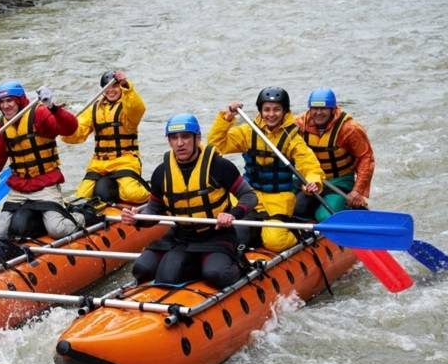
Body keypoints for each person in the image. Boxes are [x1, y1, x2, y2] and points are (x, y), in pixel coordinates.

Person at [121, 114, 257, 288]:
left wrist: (232, 214)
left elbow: (249, 196)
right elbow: (154, 210)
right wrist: (138, 219)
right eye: (174, 138)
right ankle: (192, 265)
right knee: (142, 269)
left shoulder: (219, 166)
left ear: (197, 138)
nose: (180, 143)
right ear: (169, 141)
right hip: (181, 236)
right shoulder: (161, 173)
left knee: (216, 274)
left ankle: (238, 264)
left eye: (185, 136)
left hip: (215, 235)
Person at [207, 87, 325, 252]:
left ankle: (298, 233)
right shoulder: (249, 131)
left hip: (278, 200)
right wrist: (226, 119)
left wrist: (313, 182)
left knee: (274, 242)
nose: (271, 114)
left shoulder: (292, 139)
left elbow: (309, 165)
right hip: (248, 196)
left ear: (285, 111)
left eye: (277, 109)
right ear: (260, 111)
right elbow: (217, 145)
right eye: (267, 110)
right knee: (231, 233)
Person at [0, 80, 87, 239]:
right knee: (0, 233)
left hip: (46, 184)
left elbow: (69, 128)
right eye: (1, 102)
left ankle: (79, 216)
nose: (5, 106)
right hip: (19, 188)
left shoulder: (39, 114)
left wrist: (53, 108)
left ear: (20, 100)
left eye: (9, 101)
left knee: (58, 230)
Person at [61, 70, 150, 204]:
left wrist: (126, 85)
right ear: (102, 90)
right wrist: (64, 124)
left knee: (133, 195)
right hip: (99, 163)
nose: (111, 91)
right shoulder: (93, 109)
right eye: (107, 87)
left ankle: (156, 196)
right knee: (81, 197)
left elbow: (138, 108)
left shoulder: (128, 105)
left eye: (115, 86)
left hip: (125, 160)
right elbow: (77, 135)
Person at [294, 87, 375, 221]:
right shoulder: (299, 124)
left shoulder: (349, 129)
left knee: (325, 216)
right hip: (310, 179)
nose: (318, 113)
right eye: (315, 108)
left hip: (338, 181)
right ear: (309, 108)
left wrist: (357, 191)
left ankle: (348, 210)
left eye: (324, 109)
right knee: (288, 205)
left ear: (333, 109)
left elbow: (366, 158)